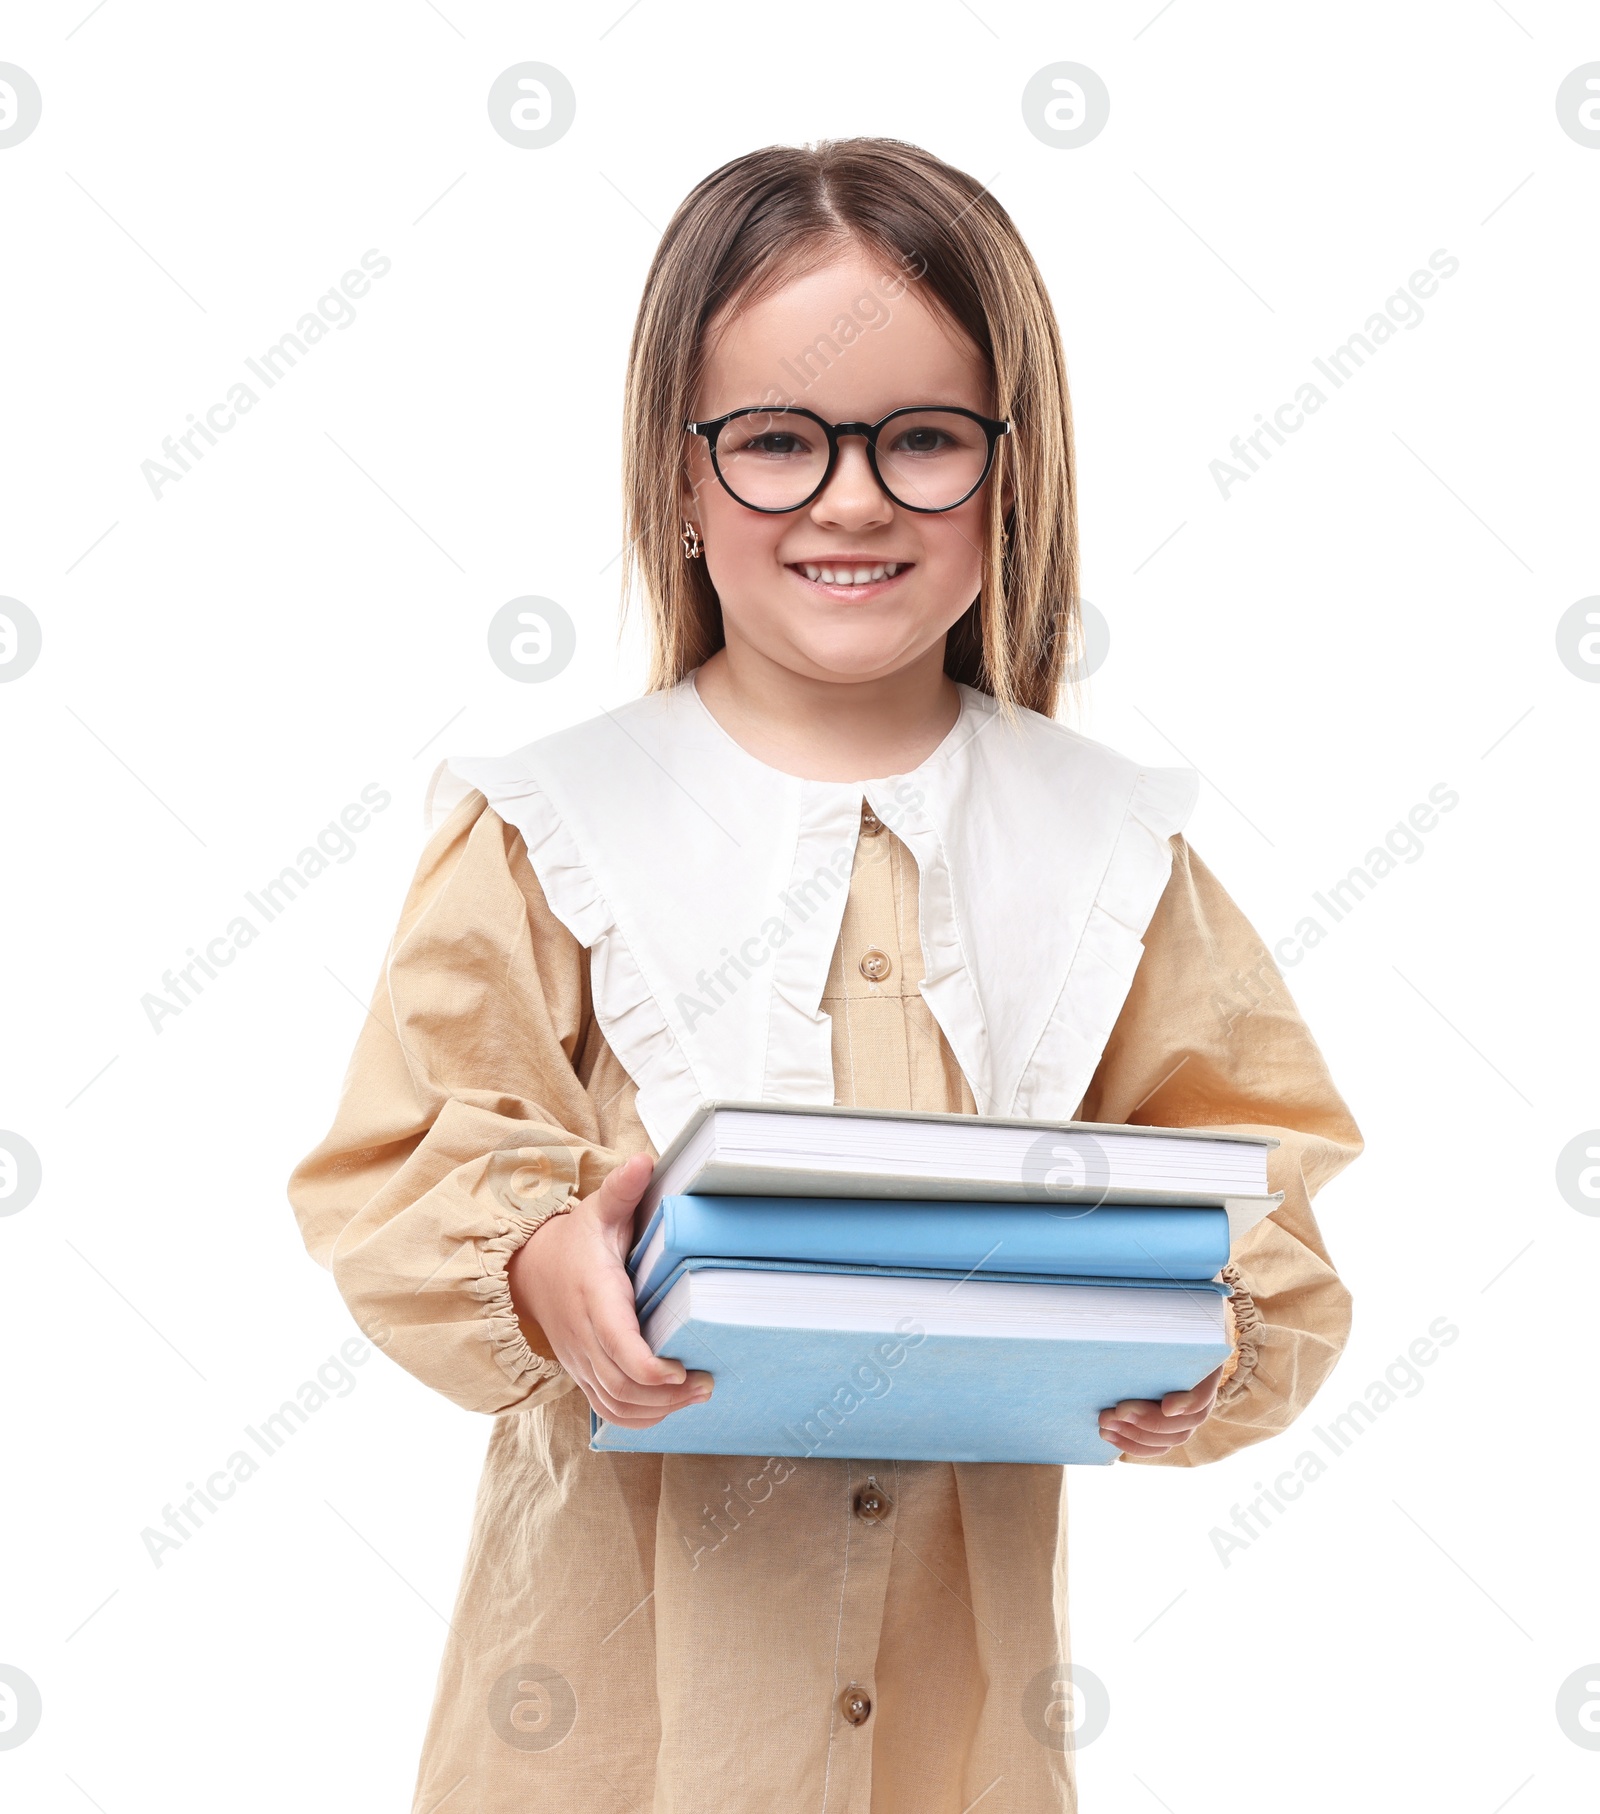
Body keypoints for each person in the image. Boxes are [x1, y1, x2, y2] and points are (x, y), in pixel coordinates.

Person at [287, 137, 1362, 1814]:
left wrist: (1210, 1330)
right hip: (614, 1722)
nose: (850, 499)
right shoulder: (547, 827)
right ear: (682, 473)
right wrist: (540, 1266)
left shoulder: (1111, 852)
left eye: (922, 440)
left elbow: (1263, 1189)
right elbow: (409, 1160)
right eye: (779, 441)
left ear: (1015, 470)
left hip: (963, 1724)